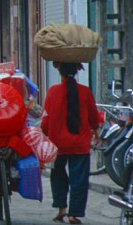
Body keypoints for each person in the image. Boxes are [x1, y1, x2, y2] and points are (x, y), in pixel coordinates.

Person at [42, 62, 100, 224]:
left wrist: (44, 134)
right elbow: (93, 117)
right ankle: (74, 214)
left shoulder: (53, 91)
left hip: (57, 143)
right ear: (76, 72)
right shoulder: (85, 92)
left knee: (57, 175)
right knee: (79, 179)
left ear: (59, 71)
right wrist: (95, 130)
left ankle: (61, 209)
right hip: (80, 144)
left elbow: (45, 120)